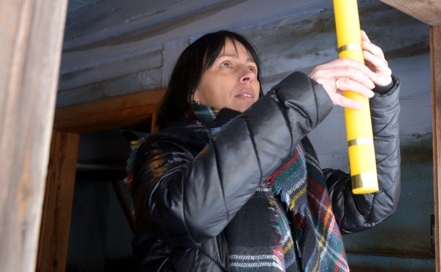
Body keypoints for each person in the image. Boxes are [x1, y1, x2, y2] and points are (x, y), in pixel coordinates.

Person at [126, 29, 401, 271]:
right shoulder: (163, 150)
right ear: (192, 92)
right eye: (226, 64)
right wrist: (297, 103)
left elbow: (371, 204)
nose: (247, 75)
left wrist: (382, 97)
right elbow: (188, 215)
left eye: (252, 69)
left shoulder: (293, 158)